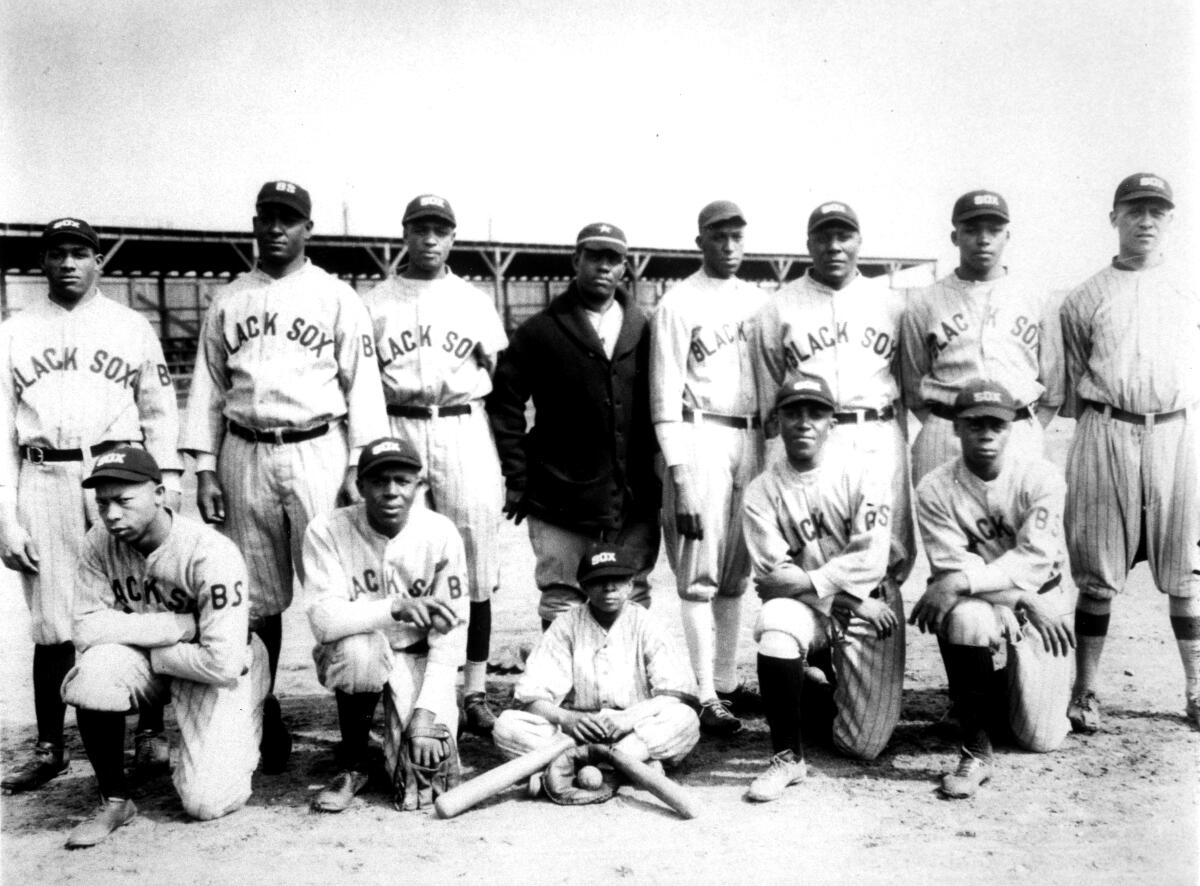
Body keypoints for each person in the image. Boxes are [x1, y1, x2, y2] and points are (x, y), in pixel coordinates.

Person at [180, 181, 387, 771]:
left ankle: (354, 731)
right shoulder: (228, 299)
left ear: (307, 229)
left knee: (336, 587)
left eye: (289, 219)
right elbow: (208, 387)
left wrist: (357, 464)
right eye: (267, 217)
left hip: (318, 445)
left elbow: (363, 385)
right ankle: (262, 714)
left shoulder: (336, 295)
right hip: (244, 449)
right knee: (254, 597)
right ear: (254, 223)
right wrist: (203, 467)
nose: (276, 228)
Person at [0, 218, 181, 793]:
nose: (69, 263)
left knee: (134, 599)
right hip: (44, 472)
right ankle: (51, 746)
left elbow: (158, 410)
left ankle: (149, 731)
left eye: (80, 252)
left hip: (116, 471)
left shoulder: (130, 326)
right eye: (58, 253)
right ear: (43, 262)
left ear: (99, 261)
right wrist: (6, 517)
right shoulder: (14, 330)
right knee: (53, 615)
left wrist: (168, 481)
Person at [60, 447, 268, 847]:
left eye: (123, 500)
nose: (111, 514)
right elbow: (86, 629)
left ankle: (258, 707)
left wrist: (149, 648)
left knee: (206, 802)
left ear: (159, 493)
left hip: (219, 667)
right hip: (178, 651)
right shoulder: (98, 541)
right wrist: (179, 624)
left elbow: (221, 663)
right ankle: (116, 800)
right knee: (94, 672)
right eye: (102, 503)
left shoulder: (210, 552)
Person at [1059, 172, 1200, 733]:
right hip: (1107, 428)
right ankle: (1085, 690)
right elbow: (1072, 381)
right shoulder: (1084, 296)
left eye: (1157, 212)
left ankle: (1195, 689)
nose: (1146, 221)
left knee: (1186, 568)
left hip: (1176, 431)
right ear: (1113, 217)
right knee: (1096, 570)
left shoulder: (1190, 285)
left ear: (1170, 220)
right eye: (1134, 211)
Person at [362, 194, 506, 736]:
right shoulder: (374, 301)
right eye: (420, 228)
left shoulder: (473, 300)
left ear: (452, 237)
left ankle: (474, 689)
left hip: (463, 423)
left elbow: (502, 376)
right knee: (401, 555)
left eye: (440, 229)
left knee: (474, 557)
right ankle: (405, 684)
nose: (429, 238)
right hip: (398, 424)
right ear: (404, 234)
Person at [488, 223, 661, 626]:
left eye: (613, 259)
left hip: (631, 494)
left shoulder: (644, 327)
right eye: (594, 256)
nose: (603, 267)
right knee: (563, 595)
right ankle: (559, 687)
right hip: (559, 491)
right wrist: (517, 474)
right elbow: (505, 403)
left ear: (624, 267)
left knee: (630, 591)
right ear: (576, 260)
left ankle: (627, 685)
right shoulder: (541, 329)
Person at [741, 373, 903, 802]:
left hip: (872, 602)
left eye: (816, 413)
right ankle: (787, 757)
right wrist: (840, 597)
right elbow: (772, 579)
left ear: (833, 421)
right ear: (778, 421)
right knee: (775, 620)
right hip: (822, 606)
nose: (804, 422)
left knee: (861, 744)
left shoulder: (864, 470)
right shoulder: (761, 491)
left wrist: (833, 591)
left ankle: (812, 688)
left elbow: (870, 558)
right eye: (793, 413)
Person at [911, 379, 1074, 799]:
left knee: (1041, 738)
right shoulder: (934, 487)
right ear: (956, 428)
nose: (985, 433)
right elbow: (952, 569)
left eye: (996, 425)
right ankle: (975, 750)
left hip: (1044, 596)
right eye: (974, 423)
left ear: (1012, 428)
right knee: (964, 617)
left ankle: (991, 691)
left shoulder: (1041, 477)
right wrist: (1011, 596)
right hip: (1004, 601)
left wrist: (967, 582)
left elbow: (1034, 560)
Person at [649, 200, 766, 736]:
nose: (729, 244)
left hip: (753, 435)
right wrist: (679, 473)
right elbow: (663, 395)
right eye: (719, 236)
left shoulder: (760, 301)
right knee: (699, 572)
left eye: (737, 235)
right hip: (701, 433)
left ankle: (724, 680)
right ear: (701, 241)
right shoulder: (678, 301)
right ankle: (701, 693)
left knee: (738, 571)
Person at [753, 201, 914, 585]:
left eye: (844, 236)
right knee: (815, 545)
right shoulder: (778, 306)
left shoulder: (891, 303)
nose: (834, 246)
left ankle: (882, 643)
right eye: (824, 237)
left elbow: (907, 384)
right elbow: (770, 388)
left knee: (888, 549)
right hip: (814, 436)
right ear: (809, 244)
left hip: (877, 431)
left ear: (860, 241)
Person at [304, 437, 468, 812]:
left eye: (402, 480)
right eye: (379, 481)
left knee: (427, 763)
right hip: (359, 649)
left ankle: (413, 724)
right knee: (360, 650)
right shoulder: (326, 529)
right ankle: (352, 763)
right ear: (359, 486)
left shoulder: (441, 533)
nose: (391, 491)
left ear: (419, 486)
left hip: (420, 656)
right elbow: (323, 622)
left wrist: (426, 713)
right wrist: (394, 607)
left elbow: (452, 633)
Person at [492, 542, 699, 779]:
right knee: (508, 725)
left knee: (684, 719)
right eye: (599, 580)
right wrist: (567, 719)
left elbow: (677, 693)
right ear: (584, 586)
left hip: (634, 729)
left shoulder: (647, 623)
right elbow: (531, 697)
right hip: (577, 732)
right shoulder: (566, 625)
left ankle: (576, 765)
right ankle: (627, 766)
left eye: (618, 579)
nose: (609, 587)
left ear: (630, 584)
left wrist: (629, 719)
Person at [900, 190, 1063, 483]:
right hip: (946, 431)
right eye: (971, 230)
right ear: (955, 237)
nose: (983, 239)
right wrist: (944, 425)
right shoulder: (925, 302)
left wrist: (1022, 428)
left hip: (1015, 429)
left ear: (1007, 236)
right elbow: (914, 390)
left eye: (994, 230)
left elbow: (1053, 390)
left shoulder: (1036, 298)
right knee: (941, 524)